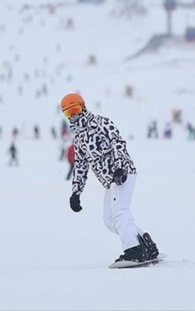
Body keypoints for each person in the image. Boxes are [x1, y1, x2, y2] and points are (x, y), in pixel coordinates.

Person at [61, 92, 159, 264]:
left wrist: (120, 167)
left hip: (122, 173)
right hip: (109, 181)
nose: (74, 116)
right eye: (69, 113)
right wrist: (76, 192)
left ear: (83, 107)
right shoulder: (78, 139)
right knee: (109, 219)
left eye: (75, 110)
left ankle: (133, 250)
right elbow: (81, 166)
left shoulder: (100, 123)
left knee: (120, 212)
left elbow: (118, 143)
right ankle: (146, 244)